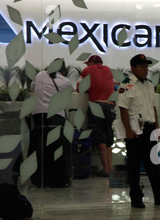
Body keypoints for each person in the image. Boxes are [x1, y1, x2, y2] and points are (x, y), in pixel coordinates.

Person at [117, 54, 160, 208]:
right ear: (133, 68)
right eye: (142, 66)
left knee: (153, 164)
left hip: (149, 127)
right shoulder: (126, 85)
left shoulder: (150, 84)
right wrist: (128, 131)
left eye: (146, 66)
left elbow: (153, 107)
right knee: (134, 166)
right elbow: (123, 109)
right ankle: (136, 198)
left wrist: (157, 128)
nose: (145, 69)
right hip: (135, 130)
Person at [29, 58, 74, 187]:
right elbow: (71, 92)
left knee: (40, 146)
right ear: (64, 71)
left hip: (38, 116)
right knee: (57, 147)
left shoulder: (39, 75)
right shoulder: (65, 82)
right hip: (56, 116)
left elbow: (32, 88)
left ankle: (39, 177)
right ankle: (59, 177)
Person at [77, 54, 115, 177]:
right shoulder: (109, 70)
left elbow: (79, 88)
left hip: (96, 105)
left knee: (100, 137)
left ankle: (105, 169)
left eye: (88, 63)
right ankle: (110, 167)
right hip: (110, 107)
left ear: (92, 63)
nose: (87, 65)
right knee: (109, 137)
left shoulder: (87, 70)